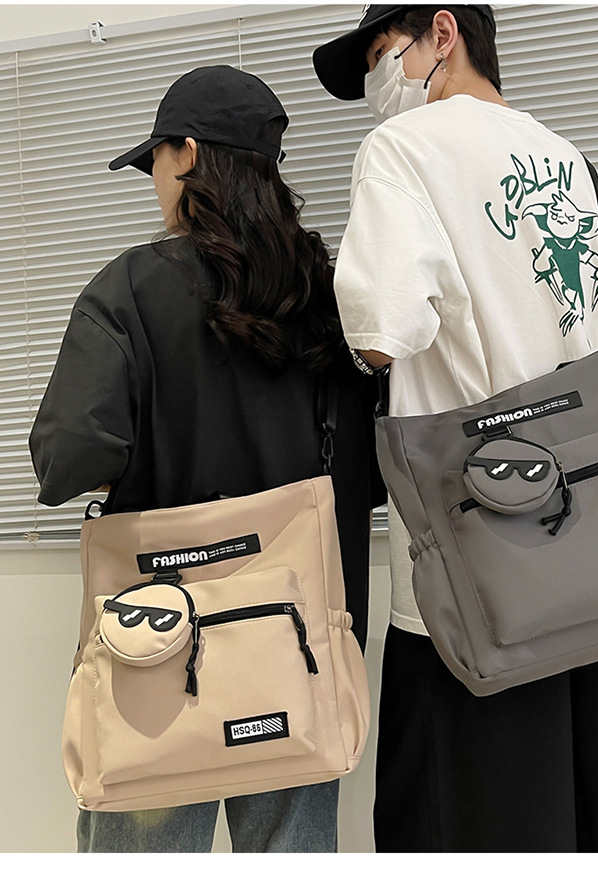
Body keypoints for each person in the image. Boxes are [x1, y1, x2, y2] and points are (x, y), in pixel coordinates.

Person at [313, 5, 598, 852]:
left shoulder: (402, 149)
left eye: (383, 54)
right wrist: (594, 504)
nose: (377, 83)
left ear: (443, 33)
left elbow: (380, 334)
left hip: (477, 574)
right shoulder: (574, 165)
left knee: (466, 823)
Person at [29, 65, 385, 853]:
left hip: (158, 651)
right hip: (297, 651)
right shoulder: (332, 299)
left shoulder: (129, 291)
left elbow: (66, 458)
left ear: (187, 152)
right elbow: (372, 477)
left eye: (155, 160)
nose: (155, 183)